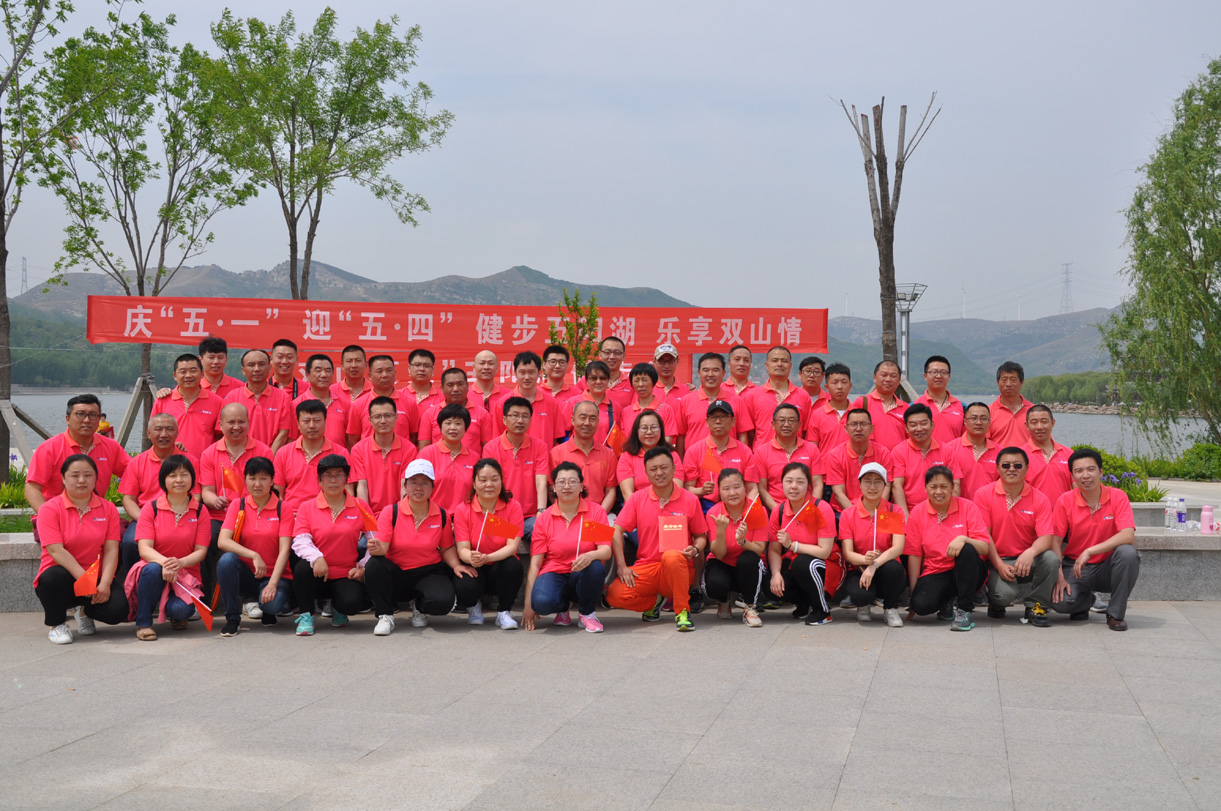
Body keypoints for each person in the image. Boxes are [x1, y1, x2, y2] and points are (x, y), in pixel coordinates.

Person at [365, 459, 477, 634]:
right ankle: (385, 615)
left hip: (429, 571)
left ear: (432, 487)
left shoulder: (441, 514)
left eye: (424, 483)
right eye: (414, 482)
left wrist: (456, 565)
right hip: (398, 573)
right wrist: (376, 547)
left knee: (442, 603)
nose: (419, 488)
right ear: (405, 486)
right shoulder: (391, 512)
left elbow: (447, 547)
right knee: (374, 565)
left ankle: (420, 607)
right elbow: (383, 549)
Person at [608, 446, 708, 631]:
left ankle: (682, 612)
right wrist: (621, 566)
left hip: (677, 569)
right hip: (647, 567)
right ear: (646, 473)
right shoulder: (637, 499)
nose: (659, 473)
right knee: (614, 595)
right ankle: (655, 602)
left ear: (674, 469)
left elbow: (701, 536)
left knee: (672, 556)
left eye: (664, 467)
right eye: (653, 469)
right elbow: (616, 530)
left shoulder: (689, 499)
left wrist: (694, 549)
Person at [33, 455, 127, 645]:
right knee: (53, 578)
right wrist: (85, 581)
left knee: (118, 610)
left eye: (88, 475)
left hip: (96, 576)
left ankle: (84, 612)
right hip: (63, 577)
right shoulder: (49, 509)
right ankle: (57, 625)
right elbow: (56, 551)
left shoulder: (108, 509)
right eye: (75, 475)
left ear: (96, 478)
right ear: (63, 478)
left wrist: (105, 583)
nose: (82, 480)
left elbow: (111, 550)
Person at [1050, 448, 1139, 631]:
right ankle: (1085, 601)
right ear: (1072, 476)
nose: (1085, 475)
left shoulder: (1117, 496)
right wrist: (1059, 577)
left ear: (1101, 472)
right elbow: (1055, 542)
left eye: (1091, 469)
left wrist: (1090, 551)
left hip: (1108, 567)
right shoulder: (1065, 500)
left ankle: (1115, 615)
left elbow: (1128, 535)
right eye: (1079, 471)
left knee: (1128, 553)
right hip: (1076, 567)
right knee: (1061, 603)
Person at [521, 462, 612, 633]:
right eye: (561, 482)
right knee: (541, 603)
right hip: (555, 571)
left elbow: (606, 551)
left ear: (581, 486)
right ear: (554, 488)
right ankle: (563, 609)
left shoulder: (596, 512)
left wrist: (590, 555)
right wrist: (528, 604)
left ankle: (587, 614)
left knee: (595, 567)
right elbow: (535, 563)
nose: (567, 486)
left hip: (583, 571)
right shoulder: (544, 518)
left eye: (572, 481)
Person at [289, 455, 371, 636]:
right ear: (319, 480)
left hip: (346, 573)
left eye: (338, 474)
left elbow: (375, 539)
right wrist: (317, 557)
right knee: (302, 568)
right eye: (327, 475)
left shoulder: (360, 506)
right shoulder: (307, 507)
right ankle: (306, 615)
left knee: (352, 603)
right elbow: (300, 540)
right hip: (317, 572)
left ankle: (338, 608)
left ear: (346, 478)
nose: (333, 480)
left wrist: (364, 567)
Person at [198, 403, 272, 601]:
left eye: (241, 422)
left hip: (253, 515)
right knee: (203, 540)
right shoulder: (209, 453)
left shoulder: (263, 451)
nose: (236, 427)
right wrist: (215, 501)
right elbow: (206, 492)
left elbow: (267, 490)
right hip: (219, 516)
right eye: (231, 422)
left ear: (249, 423)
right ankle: (202, 598)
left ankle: (250, 598)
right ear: (221, 424)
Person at [131, 455, 210, 641]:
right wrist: (167, 564)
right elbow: (144, 549)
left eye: (184, 474)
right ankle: (144, 623)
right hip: (156, 570)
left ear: (192, 479)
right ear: (163, 480)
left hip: (186, 574)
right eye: (173, 475)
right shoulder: (151, 509)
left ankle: (175, 613)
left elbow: (201, 551)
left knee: (181, 611)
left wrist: (180, 563)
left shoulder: (200, 511)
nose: (179, 480)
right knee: (152, 569)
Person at [975, 447, 1057, 627]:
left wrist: (1030, 552)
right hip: (997, 559)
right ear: (997, 468)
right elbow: (985, 535)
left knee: (1051, 558)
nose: (1011, 469)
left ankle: (1036, 606)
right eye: (1006, 465)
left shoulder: (1040, 498)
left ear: (1027, 468)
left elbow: (1046, 537)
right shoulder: (983, 494)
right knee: (1004, 596)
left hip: (1027, 560)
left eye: (1017, 465)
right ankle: (996, 603)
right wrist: (999, 564)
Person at [904, 466, 991, 632]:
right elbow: (914, 555)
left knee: (967, 549)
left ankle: (964, 610)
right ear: (926, 488)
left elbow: (984, 547)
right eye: (933, 486)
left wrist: (963, 539)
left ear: (952, 487)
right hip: (936, 570)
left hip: (968, 570)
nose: (939, 491)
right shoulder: (918, 512)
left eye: (944, 486)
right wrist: (913, 594)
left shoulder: (968, 507)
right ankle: (948, 601)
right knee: (921, 605)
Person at [215, 456, 291, 636]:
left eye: (263, 478)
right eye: (252, 478)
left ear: (272, 481)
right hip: (247, 574)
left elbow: (285, 550)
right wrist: (253, 555)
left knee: (272, 606)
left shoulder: (283, 508)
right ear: (245, 480)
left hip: (274, 575)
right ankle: (232, 618)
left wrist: (272, 584)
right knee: (226, 560)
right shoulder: (238, 505)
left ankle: (267, 608)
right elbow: (223, 541)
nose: (257, 484)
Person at [25, 394, 130, 525]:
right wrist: (49, 517)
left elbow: (136, 475)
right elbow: (32, 488)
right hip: (57, 516)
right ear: (67, 419)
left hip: (96, 516)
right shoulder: (49, 448)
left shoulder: (111, 447)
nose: (86, 420)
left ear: (99, 420)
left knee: (130, 534)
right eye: (80, 414)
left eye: (92, 415)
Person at [119, 414, 199, 568]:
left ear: (177, 432)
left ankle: (196, 581)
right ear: (149, 433)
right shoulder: (137, 462)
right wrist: (145, 519)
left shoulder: (190, 461)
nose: (164, 434)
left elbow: (196, 495)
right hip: (145, 516)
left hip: (181, 516)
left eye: (169, 429)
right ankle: (134, 579)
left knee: (201, 542)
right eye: (158, 429)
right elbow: (128, 499)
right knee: (129, 542)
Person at [453, 459, 525, 629]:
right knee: (464, 583)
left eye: (494, 479)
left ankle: (504, 612)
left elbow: (512, 547)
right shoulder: (463, 509)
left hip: (498, 565)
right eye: (483, 480)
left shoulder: (513, 507)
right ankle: (473, 606)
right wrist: (471, 557)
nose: (489, 484)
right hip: (475, 566)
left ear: (501, 481)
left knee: (513, 566)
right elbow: (462, 549)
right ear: (474, 483)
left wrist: (488, 558)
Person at [766, 462, 839, 626]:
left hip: (826, 563)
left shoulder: (821, 508)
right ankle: (804, 602)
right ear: (781, 483)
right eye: (788, 481)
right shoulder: (779, 511)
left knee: (802, 563)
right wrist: (776, 574)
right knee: (767, 582)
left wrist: (792, 545)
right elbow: (774, 550)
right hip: (796, 562)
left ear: (808, 486)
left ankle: (822, 610)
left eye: (800, 482)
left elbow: (825, 552)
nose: (794, 486)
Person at [839, 463, 905, 627]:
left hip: (885, 567)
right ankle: (864, 605)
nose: (873, 487)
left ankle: (890, 608)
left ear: (885, 485)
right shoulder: (848, 514)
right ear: (859, 484)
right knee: (860, 596)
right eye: (867, 481)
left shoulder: (893, 511)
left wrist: (874, 564)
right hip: (859, 568)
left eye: (878, 482)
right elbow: (848, 553)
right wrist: (864, 559)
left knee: (894, 568)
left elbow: (898, 548)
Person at [704, 468, 768, 627]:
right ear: (719, 492)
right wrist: (720, 531)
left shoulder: (757, 510)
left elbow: (759, 549)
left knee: (748, 559)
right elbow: (719, 554)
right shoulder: (713, 513)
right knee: (715, 583)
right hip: (723, 562)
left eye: (737, 486)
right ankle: (723, 601)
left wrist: (742, 541)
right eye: (726, 488)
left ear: (745, 487)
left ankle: (750, 607)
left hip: (748, 565)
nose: (732, 492)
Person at [481, 397, 550, 545]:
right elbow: (488, 485)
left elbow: (541, 482)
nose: (520, 420)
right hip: (501, 515)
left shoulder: (539, 446)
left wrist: (541, 511)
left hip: (529, 516)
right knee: (497, 539)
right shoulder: (491, 448)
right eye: (515, 415)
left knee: (543, 532)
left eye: (525, 416)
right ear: (504, 420)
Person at [275, 399, 350, 512]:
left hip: (328, 514)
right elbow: (278, 492)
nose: (312, 426)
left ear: (325, 422)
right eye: (306, 421)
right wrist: (286, 514)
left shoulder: (341, 453)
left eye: (317, 420)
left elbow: (348, 490)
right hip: (293, 515)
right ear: (298, 424)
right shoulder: (283, 453)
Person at [683, 400, 760, 510]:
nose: (718, 421)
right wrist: (701, 491)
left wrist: (748, 511)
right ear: (707, 422)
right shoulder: (694, 451)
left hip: (738, 508)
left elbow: (752, 488)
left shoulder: (744, 451)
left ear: (733, 421)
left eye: (723, 417)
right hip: (705, 507)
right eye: (713, 417)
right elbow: (687, 488)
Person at [890, 403, 965, 514]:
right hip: (911, 511)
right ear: (906, 428)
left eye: (923, 423)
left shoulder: (946, 450)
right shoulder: (899, 451)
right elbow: (897, 486)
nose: (919, 429)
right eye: (913, 425)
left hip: (941, 511)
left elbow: (955, 484)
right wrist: (905, 517)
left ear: (932, 424)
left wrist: (947, 513)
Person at [351, 396, 419, 515]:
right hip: (370, 514)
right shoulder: (358, 449)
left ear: (396, 417)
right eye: (377, 416)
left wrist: (399, 516)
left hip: (398, 514)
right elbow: (362, 487)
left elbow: (405, 487)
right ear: (370, 420)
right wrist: (367, 518)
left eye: (388, 416)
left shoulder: (409, 449)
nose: (383, 421)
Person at [150, 353, 223, 460]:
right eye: (183, 371)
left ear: (202, 374)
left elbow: (220, 437)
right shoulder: (162, 401)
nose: (188, 375)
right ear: (175, 376)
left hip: (203, 464)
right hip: (169, 464)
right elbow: (153, 434)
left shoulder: (217, 402)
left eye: (193, 371)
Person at [675, 352, 752, 453]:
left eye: (715, 370)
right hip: (696, 460)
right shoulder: (686, 401)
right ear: (699, 373)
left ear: (723, 373)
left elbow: (742, 435)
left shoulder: (737, 401)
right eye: (706, 370)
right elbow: (681, 436)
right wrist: (681, 461)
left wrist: (742, 458)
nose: (710, 374)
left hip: (728, 459)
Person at [551, 399, 618, 514]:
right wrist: (569, 514)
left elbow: (611, 491)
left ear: (598, 422)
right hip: (566, 514)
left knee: (614, 526)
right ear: (573, 420)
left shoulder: (609, 454)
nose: (587, 423)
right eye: (582, 417)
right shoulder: (556, 453)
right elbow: (552, 490)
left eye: (592, 418)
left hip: (600, 514)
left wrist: (598, 515)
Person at [753, 402, 823, 513]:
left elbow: (818, 484)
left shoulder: (812, 449)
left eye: (791, 420)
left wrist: (810, 509)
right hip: (776, 510)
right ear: (773, 424)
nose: (786, 424)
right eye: (781, 420)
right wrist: (780, 512)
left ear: (799, 425)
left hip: (807, 510)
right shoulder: (761, 452)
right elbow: (762, 489)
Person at [823, 408, 895, 514]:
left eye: (863, 424)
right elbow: (839, 493)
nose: (858, 429)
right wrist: (858, 516)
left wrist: (875, 513)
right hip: (846, 511)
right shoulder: (835, 455)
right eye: (854, 424)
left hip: (877, 510)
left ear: (871, 428)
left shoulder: (883, 453)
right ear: (846, 429)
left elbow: (887, 487)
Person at [223, 348, 292, 453]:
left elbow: (283, 433)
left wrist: (268, 458)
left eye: (261, 364)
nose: (256, 369)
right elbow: (226, 431)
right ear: (243, 370)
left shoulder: (283, 397)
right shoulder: (232, 397)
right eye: (251, 365)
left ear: (269, 368)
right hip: (240, 456)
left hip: (270, 458)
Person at [743, 346, 813, 446]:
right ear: (767, 365)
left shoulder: (803, 396)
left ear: (790, 366)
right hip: (762, 454)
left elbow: (805, 430)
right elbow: (749, 432)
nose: (779, 364)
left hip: (795, 453)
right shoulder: (752, 396)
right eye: (775, 360)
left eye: (784, 361)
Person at [346, 354, 420, 446]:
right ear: (370, 376)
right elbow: (353, 439)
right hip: (368, 454)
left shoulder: (409, 402)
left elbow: (414, 436)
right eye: (379, 371)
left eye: (389, 370)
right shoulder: (358, 404)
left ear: (395, 373)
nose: (385, 375)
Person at [418, 404, 480, 512]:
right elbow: (418, 489)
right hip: (434, 516)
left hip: (465, 517)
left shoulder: (475, 458)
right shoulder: (426, 454)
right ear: (440, 427)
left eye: (458, 423)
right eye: (448, 423)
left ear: (466, 428)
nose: (453, 427)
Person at [496, 351, 565, 446]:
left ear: (539, 373)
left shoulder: (551, 403)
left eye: (531, 372)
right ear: (515, 373)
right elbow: (497, 438)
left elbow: (556, 438)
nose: (527, 377)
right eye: (522, 372)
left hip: (543, 455)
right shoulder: (502, 403)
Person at [419, 367, 492, 452]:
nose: (456, 389)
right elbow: (423, 448)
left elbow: (487, 448)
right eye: (450, 385)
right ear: (442, 389)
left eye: (460, 384)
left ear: (467, 386)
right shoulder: (430, 414)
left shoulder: (482, 413)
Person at [617, 411, 683, 501]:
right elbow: (628, 494)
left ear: (661, 430)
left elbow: (677, 489)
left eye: (654, 427)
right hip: (637, 506)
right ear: (636, 431)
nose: (649, 432)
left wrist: (661, 507)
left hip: (668, 505)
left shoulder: (672, 456)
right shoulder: (626, 457)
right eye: (644, 428)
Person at [292, 353, 351, 448]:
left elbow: (349, 439)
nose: (324, 375)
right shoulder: (296, 404)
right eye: (318, 370)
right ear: (307, 375)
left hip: (338, 456)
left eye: (328, 370)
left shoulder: (345, 404)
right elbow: (292, 439)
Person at [850, 360, 907, 450]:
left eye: (893, 376)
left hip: (898, 457)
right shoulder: (862, 403)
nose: (888, 379)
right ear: (874, 378)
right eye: (884, 375)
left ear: (899, 380)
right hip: (870, 456)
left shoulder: (906, 408)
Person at [619, 362, 678, 446]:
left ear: (653, 382)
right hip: (632, 454)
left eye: (645, 380)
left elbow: (667, 440)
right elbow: (625, 441)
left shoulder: (666, 409)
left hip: (658, 454)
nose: (640, 384)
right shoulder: (626, 411)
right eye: (636, 380)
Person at [1023, 405, 1073, 505]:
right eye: (1034, 422)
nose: (1039, 427)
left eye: (1044, 421)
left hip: (1063, 512)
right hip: (1031, 512)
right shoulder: (1020, 455)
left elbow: (1077, 488)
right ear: (1027, 425)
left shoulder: (1068, 454)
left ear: (1053, 423)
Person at [913, 355, 965, 443]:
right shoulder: (914, 406)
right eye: (934, 372)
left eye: (943, 372)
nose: (939, 376)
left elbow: (966, 438)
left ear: (949, 376)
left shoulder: (962, 407)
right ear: (925, 376)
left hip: (953, 452)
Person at [957, 401, 1001, 499]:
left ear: (989, 423)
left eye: (983, 418)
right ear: (965, 422)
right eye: (973, 418)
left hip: (990, 506)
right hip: (961, 507)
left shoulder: (1000, 452)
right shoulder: (950, 449)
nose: (978, 422)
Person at [805, 362, 853, 451]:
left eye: (844, 382)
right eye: (835, 382)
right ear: (826, 387)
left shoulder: (857, 414)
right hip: (825, 460)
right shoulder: (817, 415)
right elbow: (812, 448)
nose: (839, 387)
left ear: (850, 386)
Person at [569, 361, 617, 445]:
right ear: (586, 381)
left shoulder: (615, 407)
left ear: (608, 381)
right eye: (594, 378)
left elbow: (616, 436)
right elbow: (563, 433)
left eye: (602, 378)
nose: (598, 382)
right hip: (577, 452)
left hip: (604, 452)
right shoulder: (573, 402)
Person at [989, 361, 1033, 447]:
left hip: (1027, 456)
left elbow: (1043, 441)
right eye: (1004, 380)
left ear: (1022, 382)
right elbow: (984, 443)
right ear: (998, 382)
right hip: (999, 456)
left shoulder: (1033, 411)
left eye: (1013, 380)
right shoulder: (989, 412)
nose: (1008, 384)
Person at [403, 348, 444, 413]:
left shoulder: (443, 397)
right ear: (409, 368)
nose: (422, 369)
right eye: (417, 365)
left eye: (426, 366)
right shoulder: (400, 396)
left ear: (433, 370)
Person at [652, 343, 691, 407]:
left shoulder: (687, 391)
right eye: (661, 361)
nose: (666, 366)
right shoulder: (647, 390)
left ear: (677, 361)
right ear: (654, 361)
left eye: (671, 361)